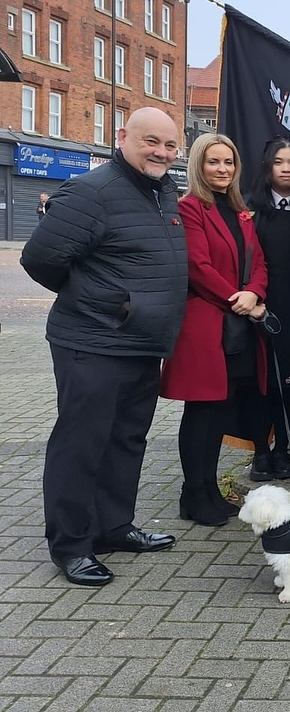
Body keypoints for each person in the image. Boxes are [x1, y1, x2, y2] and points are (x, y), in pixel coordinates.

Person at [21, 107, 187, 587]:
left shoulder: (162, 191)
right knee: (81, 443)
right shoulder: (92, 192)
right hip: (93, 343)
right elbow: (40, 260)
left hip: (140, 345)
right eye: (150, 141)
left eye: (169, 145)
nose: (160, 152)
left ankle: (112, 527)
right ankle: (71, 546)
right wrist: (105, 304)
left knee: (126, 439)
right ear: (123, 138)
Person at [161, 133, 269, 527]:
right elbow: (197, 266)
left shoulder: (241, 212)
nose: (222, 169)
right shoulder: (189, 208)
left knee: (221, 409)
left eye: (228, 163)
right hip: (207, 325)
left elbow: (259, 262)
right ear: (199, 166)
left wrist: (255, 292)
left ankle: (208, 491)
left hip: (237, 326)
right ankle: (193, 493)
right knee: (201, 413)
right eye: (213, 162)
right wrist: (236, 297)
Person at [246, 137, 290, 480]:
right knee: (259, 383)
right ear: (267, 167)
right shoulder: (249, 209)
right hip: (257, 306)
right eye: (279, 162)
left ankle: (282, 450)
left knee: (287, 383)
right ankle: (260, 451)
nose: (286, 169)